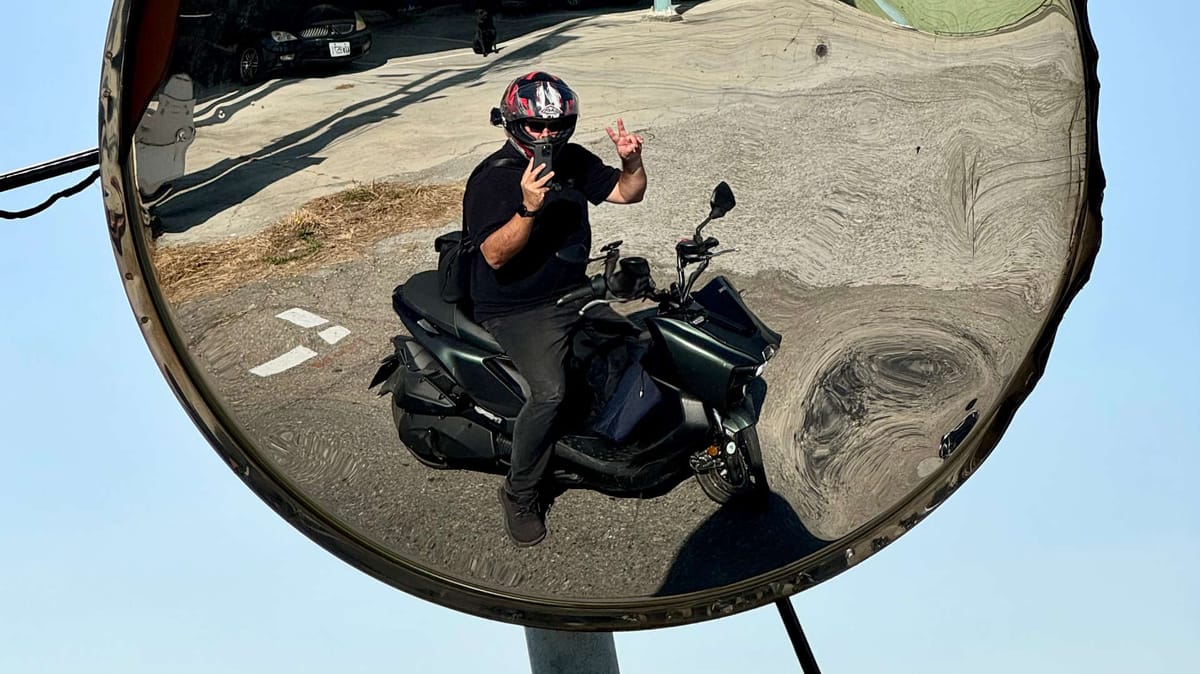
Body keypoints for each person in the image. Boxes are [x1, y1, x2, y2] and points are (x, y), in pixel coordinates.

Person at [463, 71, 647, 547]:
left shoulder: (571, 160)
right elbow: (495, 256)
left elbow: (628, 193)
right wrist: (527, 207)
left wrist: (632, 162)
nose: (546, 135)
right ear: (514, 123)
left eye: (554, 125)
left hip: (572, 290)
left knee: (633, 342)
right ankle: (520, 492)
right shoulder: (494, 178)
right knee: (548, 392)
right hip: (517, 307)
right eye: (536, 126)